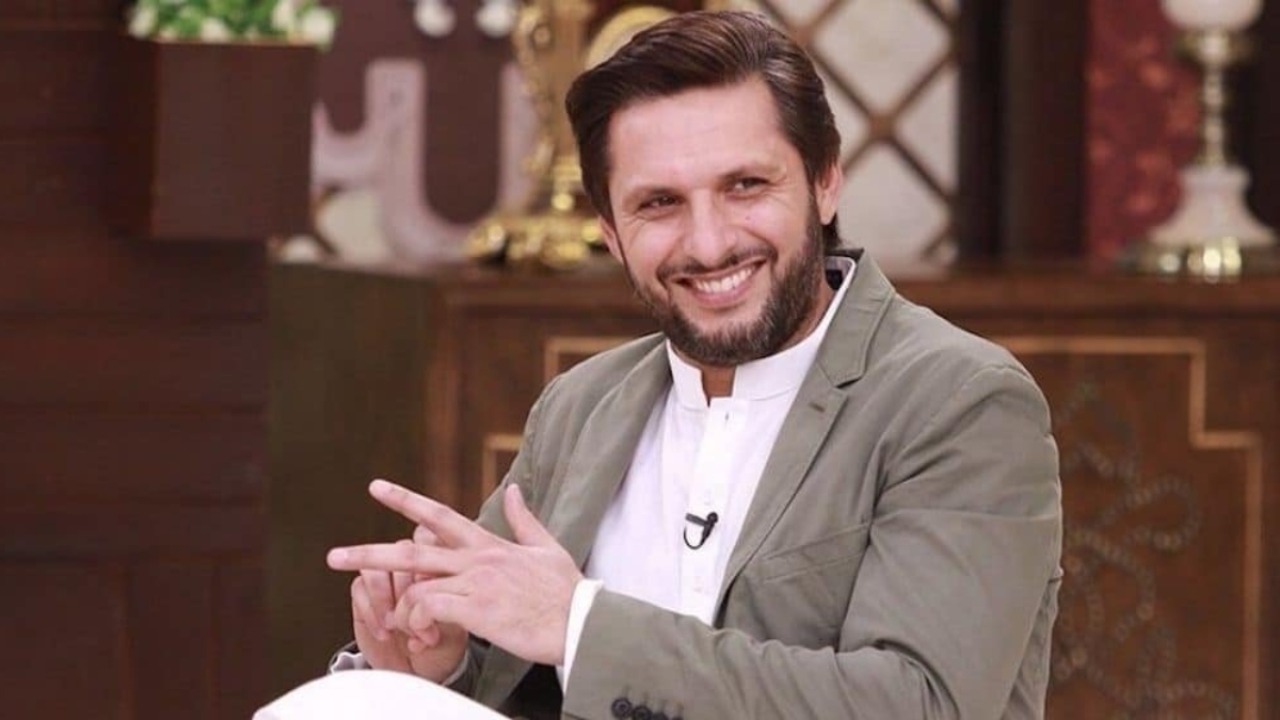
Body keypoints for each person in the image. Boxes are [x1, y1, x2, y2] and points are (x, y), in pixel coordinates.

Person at [326, 10, 1062, 720]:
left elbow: (918, 705)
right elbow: (515, 669)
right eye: (659, 203)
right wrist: (438, 667)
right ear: (611, 231)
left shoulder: (960, 401)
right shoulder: (582, 405)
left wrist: (581, 626)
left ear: (825, 181)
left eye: (746, 186)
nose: (708, 244)